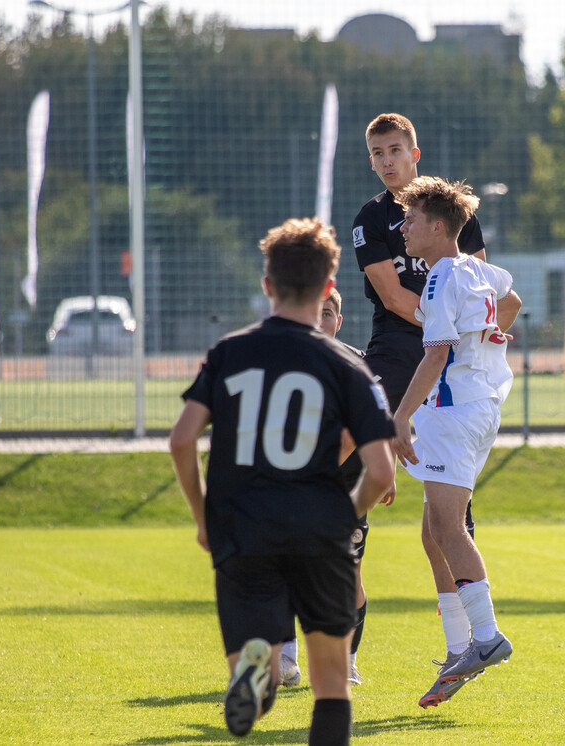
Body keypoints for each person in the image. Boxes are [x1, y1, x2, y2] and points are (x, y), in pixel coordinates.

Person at [169, 217, 396, 743]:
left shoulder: (230, 352)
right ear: (328, 288)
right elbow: (380, 470)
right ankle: (270, 680)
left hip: (242, 530)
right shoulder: (349, 366)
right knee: (332, 685)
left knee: (262, 664)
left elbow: (182, 440)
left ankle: (257, 672)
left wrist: (205, 518)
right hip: (320, 531)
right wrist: (343, 516)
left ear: (267, 285)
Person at [351, 112, 487, 674]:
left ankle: (463, 645)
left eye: (395, 150)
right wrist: (446, 320)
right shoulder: (371, 219)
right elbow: (392, 297)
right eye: (377, 153)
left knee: (445, 523)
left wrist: (457, 326)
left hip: (446, 369)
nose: (386, 161)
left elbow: (486, 292)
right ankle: (322, 642)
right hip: (393, 361)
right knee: (343, 477)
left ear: (416, 152)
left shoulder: (453, 215)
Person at [389, 176, 522, 708]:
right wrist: (489, 335)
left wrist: (400, 417)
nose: (403, 228)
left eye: (412, 219)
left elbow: (435, 355)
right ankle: (461, 647)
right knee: (433, 531)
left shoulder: (442, 276)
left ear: (438, 227)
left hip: (453, 409)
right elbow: (510, 301)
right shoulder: (474, 266)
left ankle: (485, 639)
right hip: (481, 404)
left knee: (447, 526)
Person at [279, 288, 386, 689]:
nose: (320, 320)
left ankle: (348, 660)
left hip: (346, 491)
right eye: (313, 312)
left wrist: (385, 467)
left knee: (349, 577)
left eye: (328, 313)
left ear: (338, 321)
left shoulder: (357, 366)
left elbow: (374, 425)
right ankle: (287, 657)